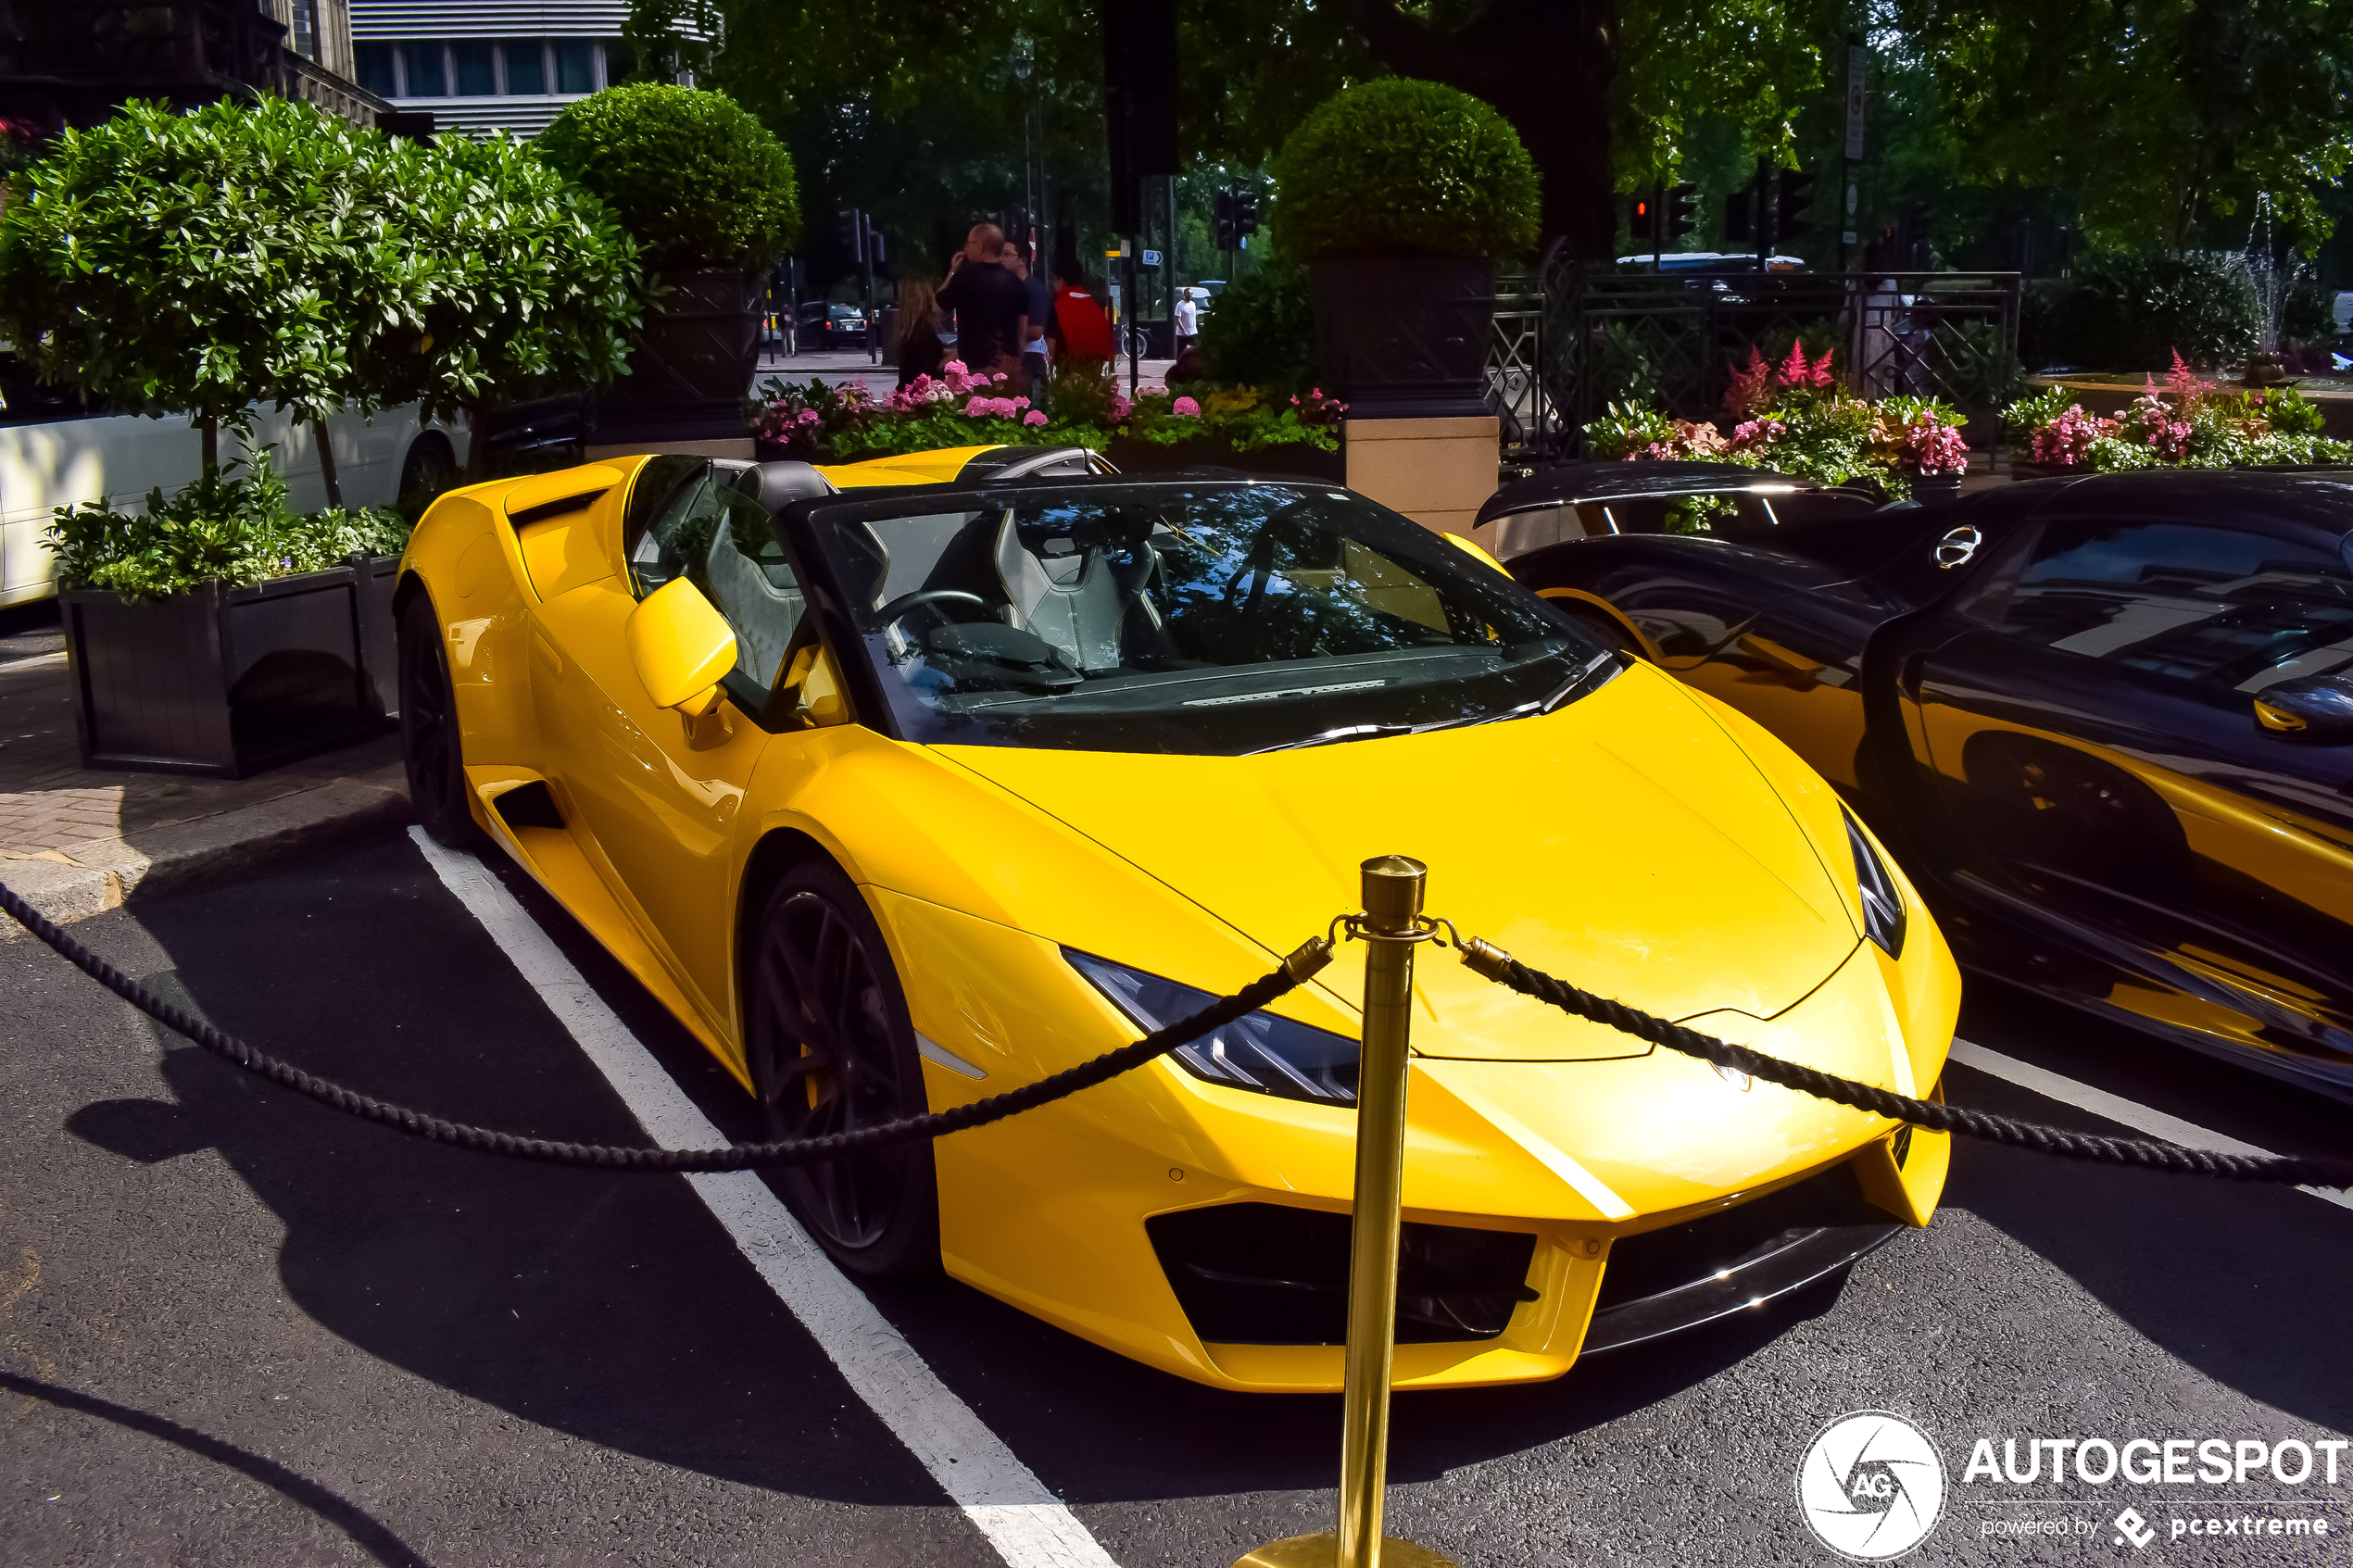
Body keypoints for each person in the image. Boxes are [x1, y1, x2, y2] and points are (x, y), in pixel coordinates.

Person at [935, 222, 1028, 380]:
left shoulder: (963, 278)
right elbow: (1022, 332)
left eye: (969, 243)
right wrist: (1017, 363)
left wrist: (952, 273)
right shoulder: (1017, 283)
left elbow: (936, 308)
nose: (965, 249)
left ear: (979, 246)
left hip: (974, 369)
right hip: (1007, 369)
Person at [1045, 258, 1116, 364]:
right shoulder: (1095, 308)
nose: (1053, 285)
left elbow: (1051, 348)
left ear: (1060, 281)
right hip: (1095, 373)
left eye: (1054, 280)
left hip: (1068, 372)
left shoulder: (1057, 308)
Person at [1005, 240, 1052, 393]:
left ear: (1022, 260)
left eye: (1006, 254)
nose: (1000, 258)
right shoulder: (1009, 287)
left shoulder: (1033, 289)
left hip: (1030, 358)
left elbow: (1036, 331)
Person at [894, 276, 947, 387]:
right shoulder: (924, 335)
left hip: (907, 394)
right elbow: (928, 372)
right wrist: (948, 360)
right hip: (921, 398)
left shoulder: (909, 332)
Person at [1173, 286, 1199, 359]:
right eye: (1189, 293)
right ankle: (1179, 367)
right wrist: (1183, 331)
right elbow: (1178, 319)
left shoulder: (1193, 304)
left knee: (1196, 348)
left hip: (1193, 332)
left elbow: (1194, 316)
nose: (1190, 295)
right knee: (1180, 352)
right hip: (1182, 334)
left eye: (1191, 293)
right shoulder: (1180, 305)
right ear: (1184, 294)